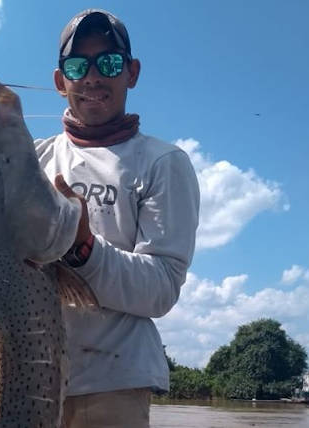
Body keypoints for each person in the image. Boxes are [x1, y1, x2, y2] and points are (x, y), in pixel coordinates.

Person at [34, 9, 200, 428]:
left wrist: (84, 249)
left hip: (112, 383)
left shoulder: (163, 162)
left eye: (108, 63)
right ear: (60, 81)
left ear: (132, 73)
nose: (92, 77)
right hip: (22, 371)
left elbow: (161, 289)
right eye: (77, 66)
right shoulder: (30, 159)